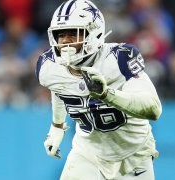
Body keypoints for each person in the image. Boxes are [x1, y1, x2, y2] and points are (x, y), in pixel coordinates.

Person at [35, 0, 162, 179]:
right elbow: (59, 87)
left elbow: (153, 109)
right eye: (60, 35)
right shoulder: (49, 66)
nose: (65, 41)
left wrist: (107, 95)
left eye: (74, 33)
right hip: (88, 153)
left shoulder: (119, 60)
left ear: (94, 33)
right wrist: (57, 126)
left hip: (134, 153)